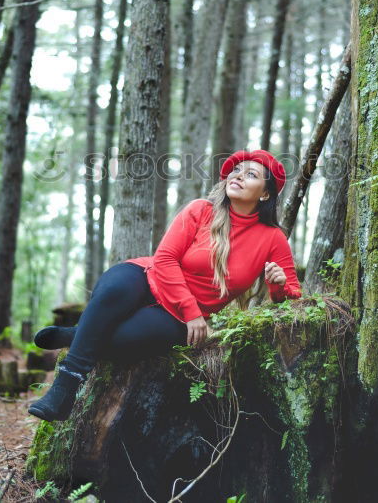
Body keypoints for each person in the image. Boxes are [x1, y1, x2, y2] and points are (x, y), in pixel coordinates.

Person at [27, 149, 303, 421]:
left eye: (251, 174)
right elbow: (165, 258)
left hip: (175, 317)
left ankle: (78, 335)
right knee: (112, 290)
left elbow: (291, 296)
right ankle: (62, 392)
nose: (239, 176)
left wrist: (277, 286)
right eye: (236, 170)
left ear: (265, 193)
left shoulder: (272, 238)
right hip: (148, 277)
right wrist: (193, 312)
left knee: (124, 339)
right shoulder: (201, 210)